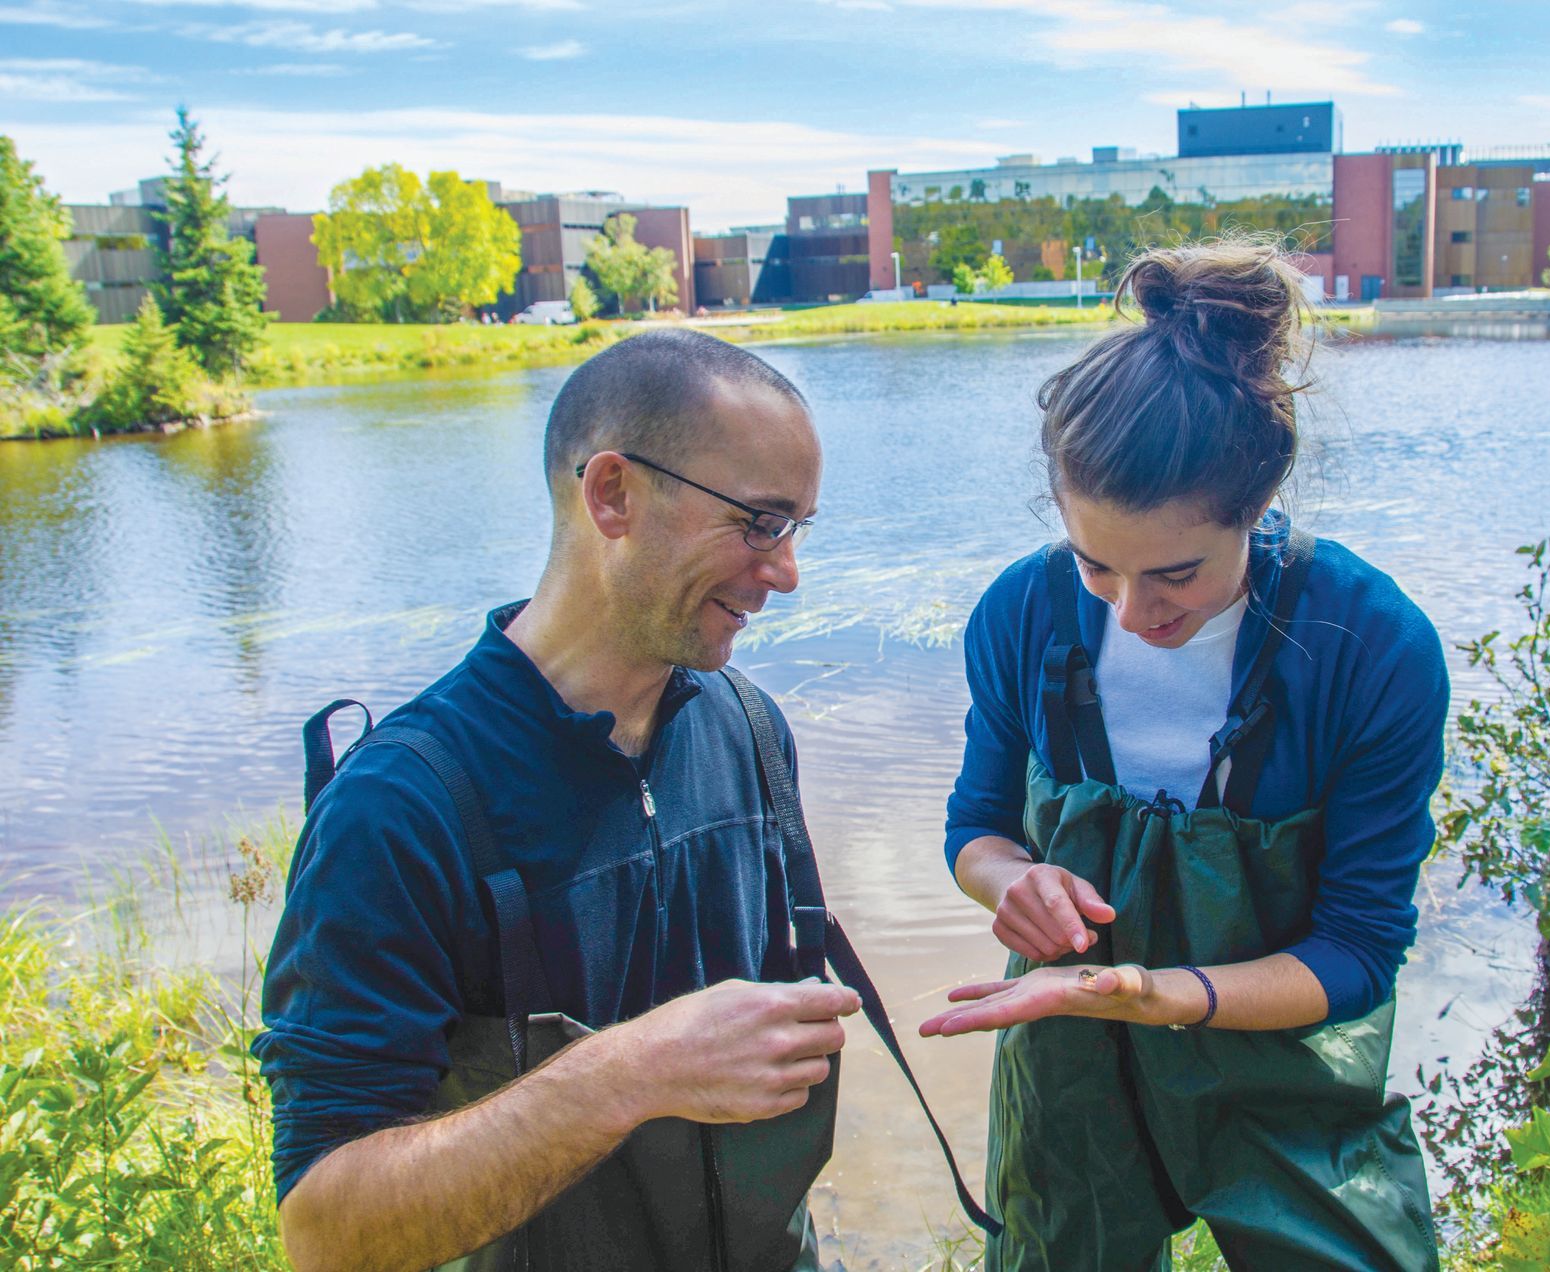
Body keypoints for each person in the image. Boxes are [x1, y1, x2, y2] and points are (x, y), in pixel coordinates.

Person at [254, 329, 862, 1271]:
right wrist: (632, 1072)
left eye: (797, 530)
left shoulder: (750, 730)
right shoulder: (400, 809)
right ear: (611, 494)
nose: (786, 572)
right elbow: (325, 1233)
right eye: (759, 523)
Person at [923, 237, 1447, 1271]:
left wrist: (1169, 995)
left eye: (1176, 573)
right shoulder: (1024, 614)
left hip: (1285, 1072)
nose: (1132, 609)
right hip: (1065, 1062)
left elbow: (1358, 947)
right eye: (1094, 563)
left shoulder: (1371, 644)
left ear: (1256, 504)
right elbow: (973, 829)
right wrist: (1013, 882)